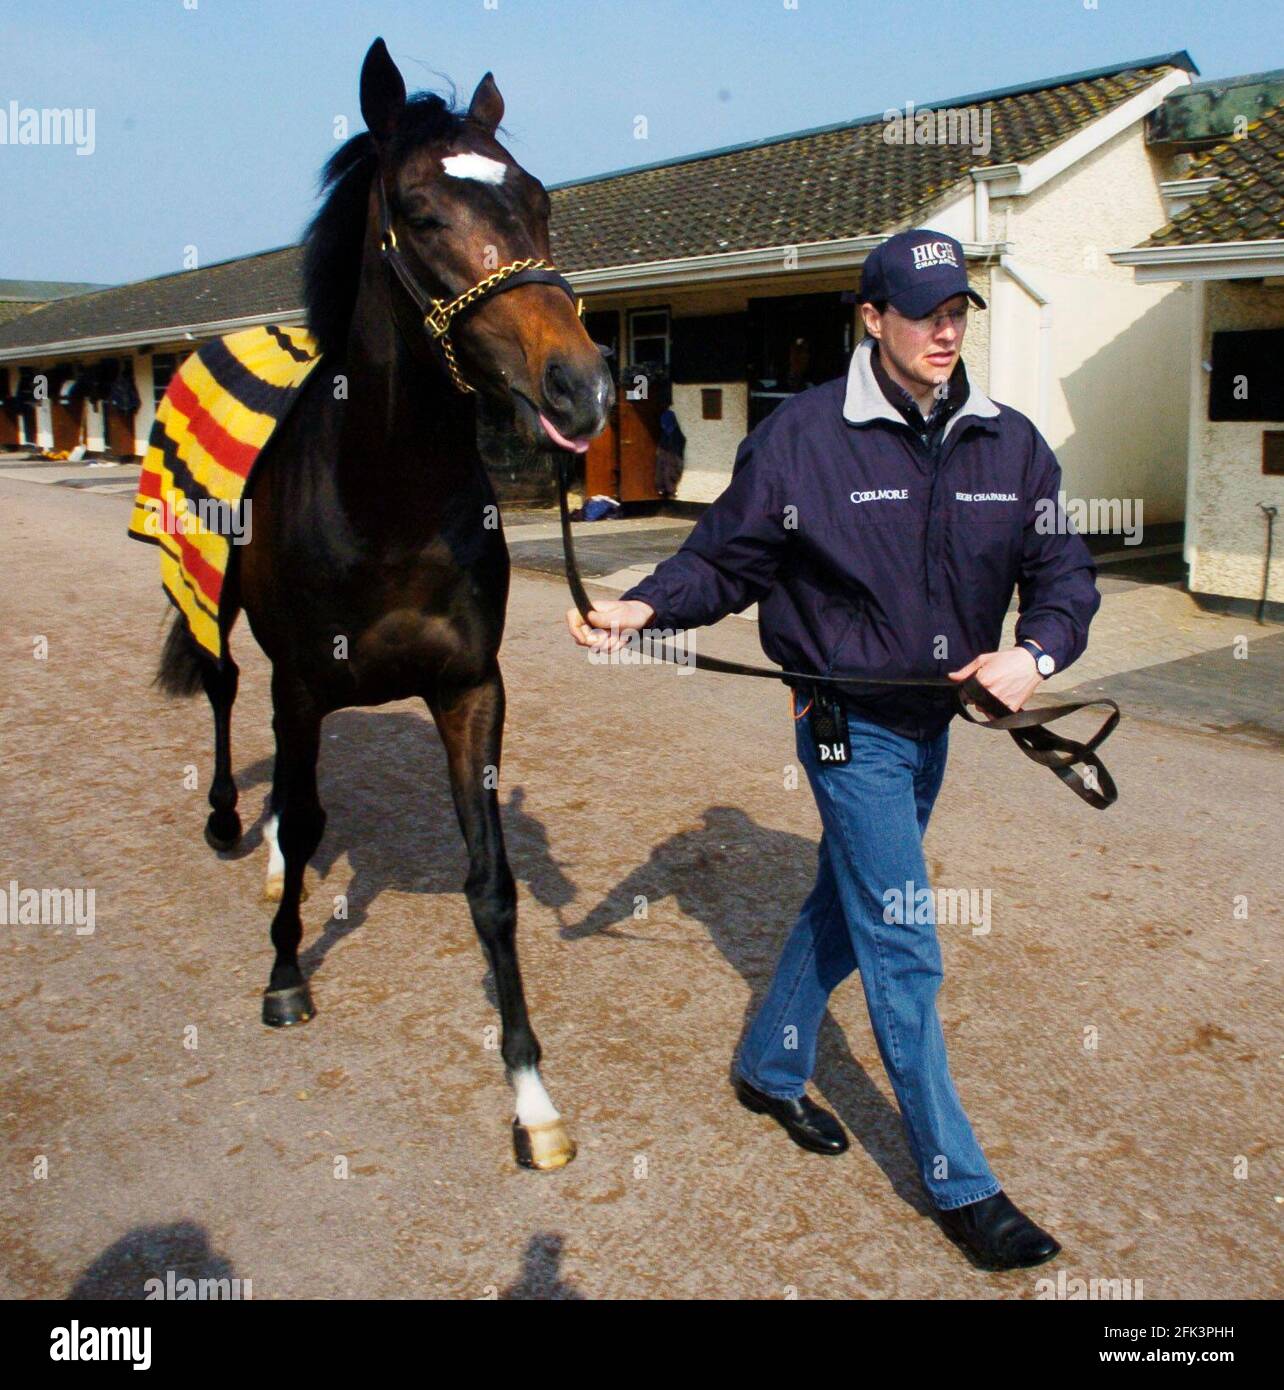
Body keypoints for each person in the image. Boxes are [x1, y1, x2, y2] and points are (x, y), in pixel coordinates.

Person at [565, 228, 1100, 1270]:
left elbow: (1063, 573)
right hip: (845, 726)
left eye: (957, 312)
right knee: (904, 936)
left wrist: (1034, 654)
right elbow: (726, 559)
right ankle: (962, 1184)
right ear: (871, 318)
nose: (944, 330)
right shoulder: (804, 439)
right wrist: (644, 606)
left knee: (841, 906)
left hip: (934, 724)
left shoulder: (1011, 441)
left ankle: (769, 1067)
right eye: (922, 311)